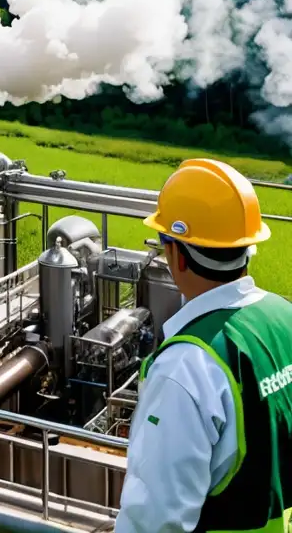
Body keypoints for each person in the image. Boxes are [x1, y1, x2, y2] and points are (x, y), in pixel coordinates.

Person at [115, 158, 292, 533]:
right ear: (248, 247)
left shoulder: (186, 368)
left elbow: (156, 520)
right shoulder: (284, 317)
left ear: (177, 254)